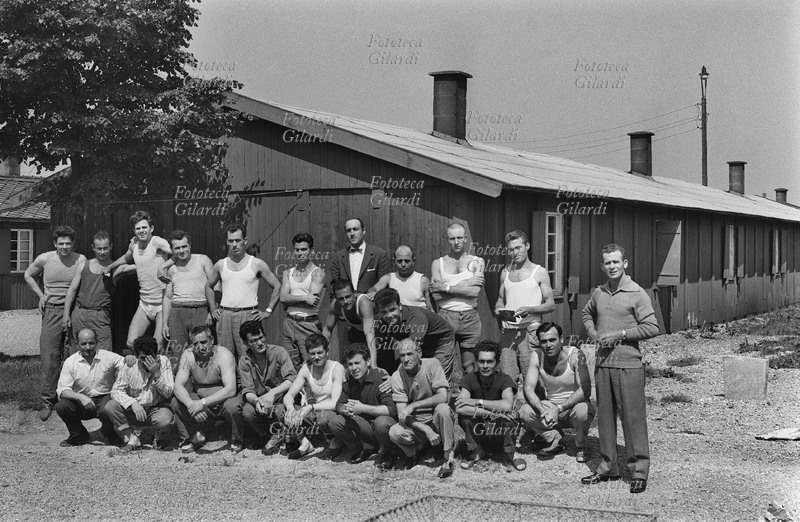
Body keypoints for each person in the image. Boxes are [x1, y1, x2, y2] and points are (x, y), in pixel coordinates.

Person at [581, 244, 659, 494]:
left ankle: (639, 471)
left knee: (633, 419)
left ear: (625, 263)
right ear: (602, 266)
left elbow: (652, 327)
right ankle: (608, 467)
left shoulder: (637, 293)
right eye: (607, 263)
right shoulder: (599, 292)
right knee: (605, 418)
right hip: (603, 364)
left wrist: (622, 334)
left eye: (616, 262)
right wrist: (593, 332)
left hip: (629, 364)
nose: (612, 267)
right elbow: (586, 314)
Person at [25, 225, 86, 421]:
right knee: (50, 356)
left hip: (74, 310)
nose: (65, 247)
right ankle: (47, 400)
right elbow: (28, 275)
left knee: (75, 355)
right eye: (61, 244)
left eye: (68, 243)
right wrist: (41, 295)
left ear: (73, 244)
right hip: (51, 309)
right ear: (55, 243)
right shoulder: (45, 258)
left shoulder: (80, 259)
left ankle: (73, 400)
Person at [519, 323, 593, 462]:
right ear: (539, 342)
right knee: (524, 412)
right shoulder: (537, 356)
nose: (548, 345)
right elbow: (528, 388)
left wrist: (558, 409)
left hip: (573, 407)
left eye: (552, 340)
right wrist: (542, 411)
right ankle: (554, 439)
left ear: (561, 339)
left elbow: (585, 390)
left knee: (584, 410)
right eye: (544, 341)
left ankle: (581, 446)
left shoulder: (575, 355)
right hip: (551, 407)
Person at [207, 223, 281, 359]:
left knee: (249, 356)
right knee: (225, 356)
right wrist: (212, 309)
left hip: (248, 315)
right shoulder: (220, 264)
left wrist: (268, 311)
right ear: (227, 242)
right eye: (230, 241)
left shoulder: (256, 264)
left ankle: (248, 381)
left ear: (245, 241)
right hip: (225, 315)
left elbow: (277, 285)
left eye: (238, 240)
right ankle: (230, 381)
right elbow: (208, 286)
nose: (234, 244)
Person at [318, 344, 397, 469]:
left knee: (381, 422)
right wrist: (344, 409)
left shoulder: (380, 379)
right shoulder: (350, 381)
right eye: (350, 364)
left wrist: (363, 408)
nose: (354, 368)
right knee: (335, 421)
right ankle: (362, 447)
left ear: (368, 361)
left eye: (357, 363)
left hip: (382, 428)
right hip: (365, 427)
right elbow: (339, 404)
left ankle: (387, 452)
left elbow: (392, 410)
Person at [104, 210, 172, 354]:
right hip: (145, 302)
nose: (141, 231)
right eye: (138, 228)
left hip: (162, 303)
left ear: (151, 228)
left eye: (144, 227)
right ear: (134, 231)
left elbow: (177, 253)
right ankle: (142, 371)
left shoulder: (157, 242)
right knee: (131, 342)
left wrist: (164, 266)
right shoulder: (134, 245)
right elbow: (126, 257)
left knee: (158, 347)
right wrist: (111, 266)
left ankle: (158, 374)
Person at [388, 339, 456, 479]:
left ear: (419, 353)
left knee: (443, 409)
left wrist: (414, 405)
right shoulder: (397, 376)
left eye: (409, 354)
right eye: (402, 355)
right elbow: (402, 414)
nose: (406, 359)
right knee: (394, 432)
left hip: (435, 418)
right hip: (417, 423)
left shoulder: (432, 364)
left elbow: (443, 396)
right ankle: (414, 453)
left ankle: (448, 456)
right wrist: (426, 430)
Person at [455, 340, 526, 471]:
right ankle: (476, 450)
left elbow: (507, 406)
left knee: (510, 417)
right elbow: (460, 407)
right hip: (480, 425)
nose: (485, 366)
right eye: (481, 361)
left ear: (497, 363)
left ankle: (511, 452)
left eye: (490, 361)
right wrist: (491, 413)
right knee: (464, 418)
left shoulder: (504, 379)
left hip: (500, 426)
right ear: (477, 362)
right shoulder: (469, 379)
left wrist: (478, 402)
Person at [494, 230, 555, 384]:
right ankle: (510, 408)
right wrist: (498, 310)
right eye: (511, 249)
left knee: (533, 379)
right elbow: (500, 300)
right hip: (508, 331)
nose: (515, 252)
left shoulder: (539, 272)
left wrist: (530, 309)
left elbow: (550, 304)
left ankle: (536, 408)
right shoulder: (505, 272)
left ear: (527, 246)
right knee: (507, 379)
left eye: (519, 247)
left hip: (530, 331)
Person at [171, 325, 243, 453]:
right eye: (196, 344)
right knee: (176, 402)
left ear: (212, 340)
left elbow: (231, 389)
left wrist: (202, 403)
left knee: (234, 406)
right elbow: (177, 386)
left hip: (224, 401)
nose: (200, 347)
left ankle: (237, 439)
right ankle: (193, 437)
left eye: (204, 342)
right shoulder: (188, 355)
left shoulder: (223, 355)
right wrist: (191, 404)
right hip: (201, 402)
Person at [429, 223, 484, 375]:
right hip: (446, 315)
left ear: (466, 238)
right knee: (443, 362)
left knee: (469, 365)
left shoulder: (477, 261)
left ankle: (466, 397)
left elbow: (474, 292)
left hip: (470, 317)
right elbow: (436, 295)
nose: (456, 242)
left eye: (460, 237)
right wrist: (465, 285)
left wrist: (446, 287)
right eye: (452, 238)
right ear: (447, 240)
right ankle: (442, 398)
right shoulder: (437, 263)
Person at [54, 328, 123, 446]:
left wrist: (130, 359)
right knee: (62, 406)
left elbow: (126, 364)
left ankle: (109, 433)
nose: (88, 347)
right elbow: (62, 390)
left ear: (97, 343)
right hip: (81, 402)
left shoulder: (108, 357)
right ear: (77, 344)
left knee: (111, 406)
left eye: (91, 343)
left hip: (104, 398)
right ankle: (79, 435)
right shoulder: (71, 362)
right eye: (83, 344)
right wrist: (80, 397)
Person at [281, 334, 346, 459]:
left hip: (333, 413)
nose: (316, 357)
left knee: (324, 417)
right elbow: (289, 394)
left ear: (327, 351)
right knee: (281, 410)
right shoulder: (306, 368)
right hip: (315, 412)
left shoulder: (337, 368)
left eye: (320, 352)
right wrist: (290, 408)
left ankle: (335, 442)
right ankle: (305, 443)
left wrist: (310, 407)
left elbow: (335, 402)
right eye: (312, 354)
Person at [237, 320, 297, 456]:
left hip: (282, 398)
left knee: (282, 409)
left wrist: (272, 393)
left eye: (261, 337)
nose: (259, 343)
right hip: (261, 401)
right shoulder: (244, 360)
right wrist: (257, 401)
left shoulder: (279, 352)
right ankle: (269, 435)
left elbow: (292, 379)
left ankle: (285, 435)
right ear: (246, 343)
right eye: (253, 341)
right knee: (247, 411)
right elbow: (247, 390)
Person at [107, 336, 174, 450]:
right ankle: (132, 438)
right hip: (134, 410)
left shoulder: (164, 361)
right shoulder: (130, 365)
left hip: (155, 409)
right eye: (143, 358)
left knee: (165, 420)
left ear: (156, 354)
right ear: (137, 356)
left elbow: (168, 393)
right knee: (111, 406)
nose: (147, 362)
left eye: (151, 357)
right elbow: (116, 390)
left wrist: (156, 374)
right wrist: (132, 403)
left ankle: (158, 437)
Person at [161, 230, 215, 367]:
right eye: (177, 248)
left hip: (200, 309)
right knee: (178, 353)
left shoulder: (203, 260)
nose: (181, 250)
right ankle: (183, 386)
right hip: (177, 313)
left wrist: (212, 310)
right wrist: (164, 323)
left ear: (190, 245)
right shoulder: (171, 268)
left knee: (203, 350)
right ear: (172, 250)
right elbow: (168, 297)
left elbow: (216, 286)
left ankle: (204, 385)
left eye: (184, 246)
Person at [373, 288, 455, 376]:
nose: (389, 315)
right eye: (384, 312)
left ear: (400, 306)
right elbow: (382, 351)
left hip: (440, 342)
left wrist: (395, 376)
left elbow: (411, 350)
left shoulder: (416, 318)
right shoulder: (382, 323)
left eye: (392, 310)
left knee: (437, 378)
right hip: (421, 343)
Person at [63, 231, 118, 353]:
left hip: (100, 315)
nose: (102, 252)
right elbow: (72, 290)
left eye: (105, 248)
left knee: (104, 354)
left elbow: (137, 267)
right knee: (77, 352)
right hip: (80, 313)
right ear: (93, 247)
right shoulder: (84, 265)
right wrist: (66, 314)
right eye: (99, 248)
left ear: (111, 247)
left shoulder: (115, 267)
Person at [279, 233, 325, 368]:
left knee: (311, 363)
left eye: (304, 249)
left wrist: (290, 299)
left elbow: (313, 302)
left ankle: (312, 389)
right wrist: (305, 297)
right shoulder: (288, 273)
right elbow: (282, 298)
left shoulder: (318, 273)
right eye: (297, 249)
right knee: (291, 365)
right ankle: (297, 390)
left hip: (308, 324)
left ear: (311, 251)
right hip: (289, 323)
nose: (300, 253)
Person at [322, 279, 377, 367]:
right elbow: (327, 330)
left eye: (348, 297)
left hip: (380, 332)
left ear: (354, 293)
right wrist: (319, 352)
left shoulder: (363, 303)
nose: (345, 301)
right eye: (341, 299)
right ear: (336, 298)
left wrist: (374, 365)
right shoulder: (335, 305)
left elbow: (370, 336)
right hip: (360, 331)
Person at [329, 217, 390, 297]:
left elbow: (384, 284)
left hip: (371, 303)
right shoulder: (338, 257)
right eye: (348, 230)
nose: (352, 233)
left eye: (355, 229)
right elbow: (335, 285)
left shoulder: (380, 254)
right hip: (345, 305)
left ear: (363, 231)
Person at [366, 245, 431, 309]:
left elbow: (430, 308)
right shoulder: (388, 278)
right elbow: (372, 290)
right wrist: (374, 293)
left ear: (413, 261)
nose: (403, 265)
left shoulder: (422, 280)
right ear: (394, 261)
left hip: (419, 317)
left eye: (407, 261)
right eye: (399, 261)